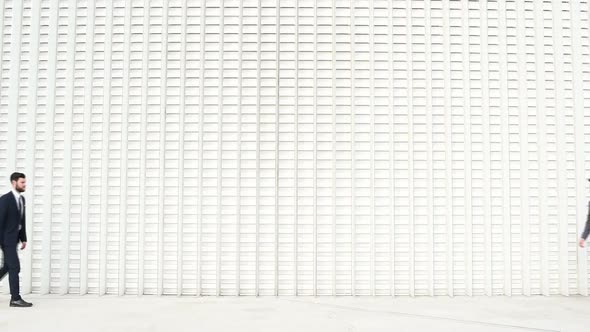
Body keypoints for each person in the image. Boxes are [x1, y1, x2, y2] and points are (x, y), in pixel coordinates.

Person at [0, 172, 32, 307]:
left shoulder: (22, 199)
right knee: (15, 267)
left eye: (25, 182)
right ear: (14, 183)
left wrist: (23, 238)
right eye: (22, 182)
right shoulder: (5, 199)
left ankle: (15, 298)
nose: (25, 185)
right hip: (6, 240)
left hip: (14, 239)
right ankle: (15, 298)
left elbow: (21, 221)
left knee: (7, 266)